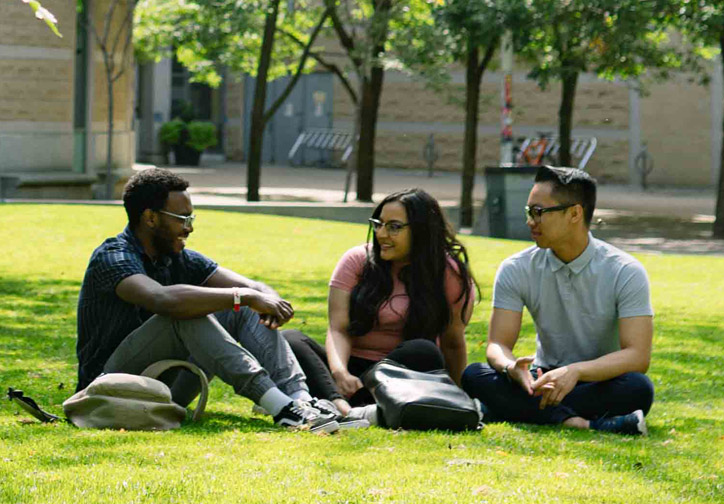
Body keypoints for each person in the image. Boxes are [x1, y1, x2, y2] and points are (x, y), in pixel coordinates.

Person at [77, 168, 345, 433]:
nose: (189, 227)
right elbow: (161, 299)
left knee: (241, 306)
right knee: (187, 312)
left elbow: (254, 288)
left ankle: (299, 399)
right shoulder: (113, 257)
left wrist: (265, 300)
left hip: (166, 390)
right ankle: (280, 408)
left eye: (191, 218)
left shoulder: (178, 257)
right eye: (181, 218)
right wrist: (245, 296)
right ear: (150, 218)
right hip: (110, 391)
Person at [462, 166, 654, 436]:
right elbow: (497, 344)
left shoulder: (624, 271)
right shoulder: (516, 267)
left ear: (575, 213)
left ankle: (506, 411)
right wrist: (511, 368)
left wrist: (575, 372)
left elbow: (637, 356)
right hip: (541, 379)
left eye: (539, 212)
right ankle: (585, 422)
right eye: (529, 212)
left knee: (638, 387)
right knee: (474, 375)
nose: (531, 221)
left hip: (596, 380)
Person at [284, 189, 476, 420]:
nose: (381, 234)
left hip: (401, 373)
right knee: (291, 339)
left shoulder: (449, 273)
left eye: (394, 227)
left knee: (424, 350)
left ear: (422, 230)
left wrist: (456, 395)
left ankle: (336, 403)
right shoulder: (356, 260)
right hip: (351, 374)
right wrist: (340, 372)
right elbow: (338, 328)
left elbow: (453, 342)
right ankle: (343, 408)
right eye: (378, 224)